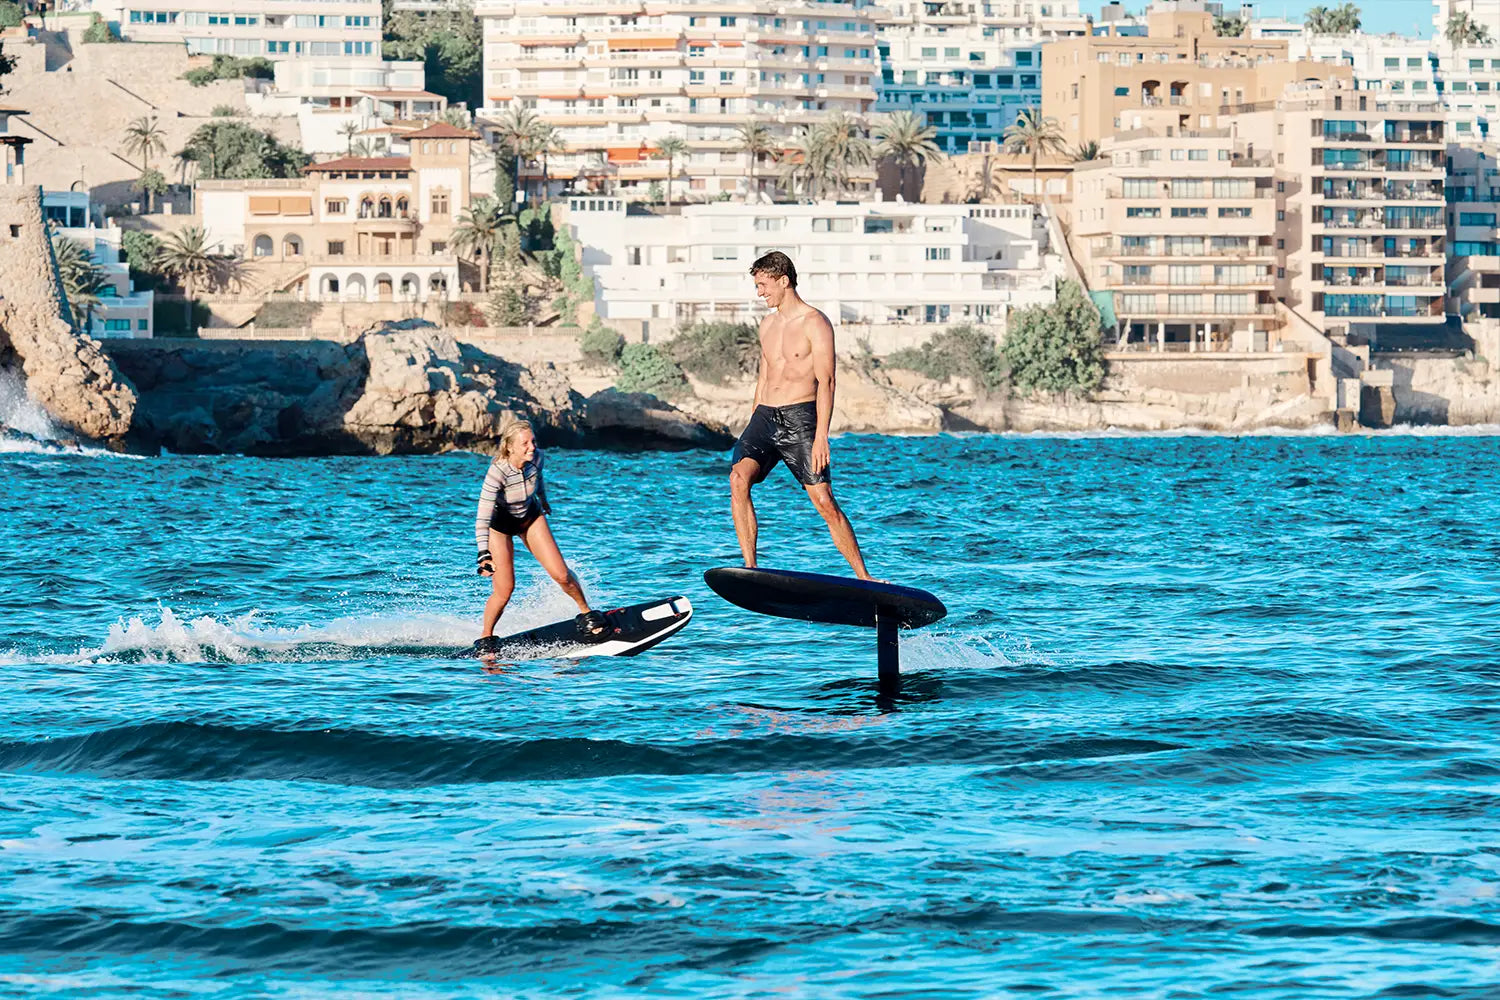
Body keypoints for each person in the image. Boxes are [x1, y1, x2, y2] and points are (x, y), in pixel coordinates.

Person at [729, 251, 873, 580]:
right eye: (756, 286)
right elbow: (764, 377)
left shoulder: (815, 322)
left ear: (784, 281)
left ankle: (864, 577)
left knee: (823, 500)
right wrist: (752, 423)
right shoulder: (767, 324)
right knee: (738, 479)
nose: (760, 292)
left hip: (801, 420)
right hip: (764, 417)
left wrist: (822, 435)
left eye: (763, 285)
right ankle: (751, 568)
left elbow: (828, 380)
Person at [473, 418, 607, 653]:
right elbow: (482, 516)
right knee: (505, 590)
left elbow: (539, 479)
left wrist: (544, 500)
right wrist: (483, 554)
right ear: (510, 447)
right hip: (500, 527)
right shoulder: (497, 473)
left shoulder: (537, 458)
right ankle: (486, 638)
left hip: (530, 518)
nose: (532, 447)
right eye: (525, 443)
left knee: (562, 575)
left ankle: (586, 614)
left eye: (533, 441)